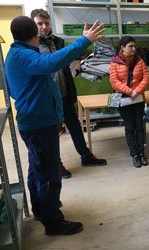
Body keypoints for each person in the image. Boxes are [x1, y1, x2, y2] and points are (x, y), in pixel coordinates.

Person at [4, 15, 105, 236]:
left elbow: (14, 89)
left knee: (37, 169)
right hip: (39, 124)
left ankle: (41, 209)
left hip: (36, 121)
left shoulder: (17, 54)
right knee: (48, 174)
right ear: (34, 33)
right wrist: (83, 41)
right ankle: (53, 222)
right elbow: (51, 62)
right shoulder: (23, 55)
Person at [31, 9, 107, 180]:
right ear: (33, 25)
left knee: (75, 127)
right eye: (39, 24)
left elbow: (66, 61)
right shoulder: (32, 47)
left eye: (47, 23)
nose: (44, 27)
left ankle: (86, 156)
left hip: (64, 93)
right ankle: (56, 164)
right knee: (53, 134)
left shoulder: (57, 41)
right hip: (48, 99)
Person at [109, 36, 149, 168]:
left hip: (138, 98)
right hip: (124, 99)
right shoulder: (115, 62)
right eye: (130, 46)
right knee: (129, 126)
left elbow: (146, 77)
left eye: (134, 46)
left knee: (139, 126)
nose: (133, 49)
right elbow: (114, 81)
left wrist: (137, 91)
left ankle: (142, 153)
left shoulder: (140, 61)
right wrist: (129, 91)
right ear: (122, 47)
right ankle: (134, 155)